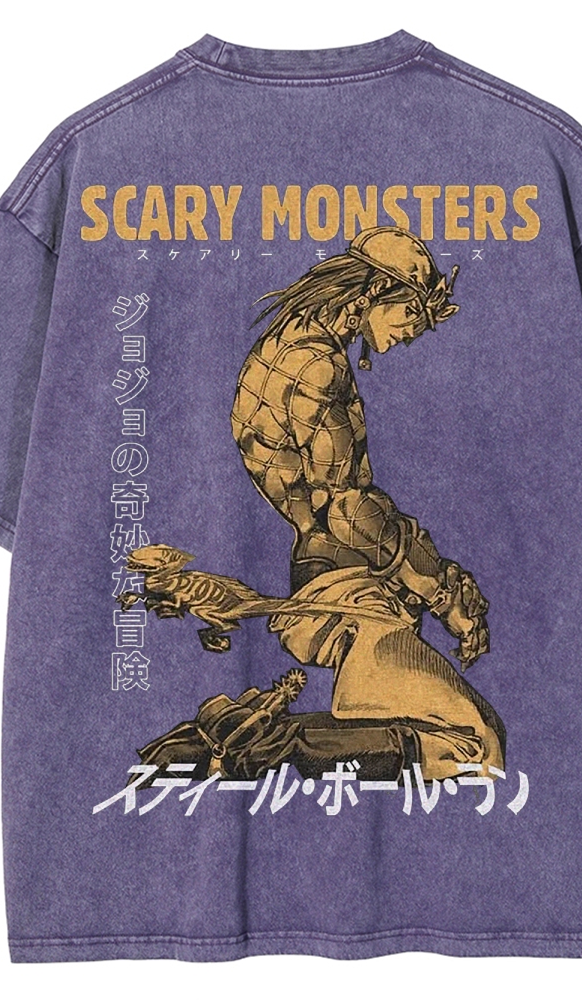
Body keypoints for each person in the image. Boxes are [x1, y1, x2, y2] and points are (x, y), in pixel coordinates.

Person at [229, 227, 506, 780]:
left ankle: (274, 744)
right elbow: (347, 509)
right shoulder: (316, 367)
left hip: (336, 571)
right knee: (476, 744)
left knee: (441, 735)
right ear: (376, 291)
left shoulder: (290, 345)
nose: (408, 335)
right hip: (347, 582)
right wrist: (442, 591)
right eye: (410, 315)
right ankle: (271, 745)